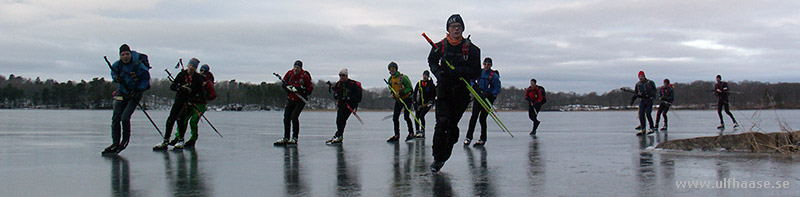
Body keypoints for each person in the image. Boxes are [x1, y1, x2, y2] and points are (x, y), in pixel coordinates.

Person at [427, 14, 481, 172]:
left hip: (462, 93)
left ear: (463, 29)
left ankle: (447, 150)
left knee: (451, 125)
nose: (456, 29)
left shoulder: (472, 49)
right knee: (441, 122)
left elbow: (476, 71)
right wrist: (438, 73)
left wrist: (461, 72)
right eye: (453, 27)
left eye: (459, 26)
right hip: (444, 89)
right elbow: (431, 61)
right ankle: (437, 158)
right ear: (448, 29)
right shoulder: (440, 46)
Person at [103, 44, 151, 154]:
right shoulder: (117, 65)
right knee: (116, 118)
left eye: (127, 54)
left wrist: (139, 89)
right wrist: (116, 78)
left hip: (135, 93)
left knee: (125, 118)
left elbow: (146, 79)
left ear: (130, 54)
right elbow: (113, 75)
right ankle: (115, 142)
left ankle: (124, 142)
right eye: (123, 54)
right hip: (122, 92)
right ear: (120, 55)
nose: (125, 56)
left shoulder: (138, 65)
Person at [154, 58, 204, 150]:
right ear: (187, 66)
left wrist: (193, 99)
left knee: (181, 119)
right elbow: (172, 86)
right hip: (179, 100)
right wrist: (181, 88)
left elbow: (200, 93)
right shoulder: (182, 75)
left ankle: (181, 140)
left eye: (193, 66)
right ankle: (166, 140)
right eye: (190, 65)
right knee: (170, 119)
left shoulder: (197, 78)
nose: (191, 68)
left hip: (188, 102)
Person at [274, 60, 313, 145]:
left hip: (300, 100)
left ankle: (295, 138)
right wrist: (288, 88)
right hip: (291, 99)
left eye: (298, 67)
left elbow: (309, 89)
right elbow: (284, 84)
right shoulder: (289, 74)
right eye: (295, 67)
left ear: (301, 68)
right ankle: (286, 137)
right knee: (286, 118)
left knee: (294, 117)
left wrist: (299, 89)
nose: (296, 69)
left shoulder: (304, 76)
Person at [465, 57, 500, 146]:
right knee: (473, 117)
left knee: (482, 118)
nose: (486, 66)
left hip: (488, 99)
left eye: (488, 64)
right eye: (485, 64)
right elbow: (472, 80)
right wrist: (474, 86)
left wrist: (490, 93)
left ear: (491, 65)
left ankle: (483, 138)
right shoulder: (479, 72)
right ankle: (468, 137)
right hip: (478, 97)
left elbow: (497, 88)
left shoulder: (494, 76)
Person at [325, 68, 362, 144]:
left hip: (350, 105)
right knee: (338, 120)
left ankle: (339, 135)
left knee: (343, 120)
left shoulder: (352, 84)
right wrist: (336, 95)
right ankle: (338, 135)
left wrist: (349, 98)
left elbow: (358, 97)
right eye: (340, 75)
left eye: (343, 75)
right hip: (341, 105)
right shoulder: (339, 84)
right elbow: (336, 93)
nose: (341, 77)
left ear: (347, 76)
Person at [183, 64, 217, 147]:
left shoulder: (207, 82)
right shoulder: (194, 79)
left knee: (193, 121)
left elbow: (213, 95)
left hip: (201, 105)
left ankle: (193, 138)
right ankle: (179, 137)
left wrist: (203, 97)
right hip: (191, 103)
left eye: (203, 71)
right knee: (183, 119)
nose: (202, 72)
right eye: (201, 70)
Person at [386, 62, 415, 142]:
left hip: (406, 99)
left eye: (393, 69)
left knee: (406, 116)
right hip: (398, 100)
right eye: (390, 69)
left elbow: (410, 89)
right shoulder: (390, 79)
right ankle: (396, 135)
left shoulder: (403, 78)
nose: (392, 71)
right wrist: (392, 94)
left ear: (396, 69)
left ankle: (411, 133)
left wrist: (402, 93)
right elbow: (391, 89)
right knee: (395, 117)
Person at [413, 70, 436, 138]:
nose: (424, 76)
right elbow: (415, 93)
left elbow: (433, 94)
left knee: (421, 116)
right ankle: (417, 131)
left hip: (427, 103)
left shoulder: (431, 84)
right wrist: (414, 101)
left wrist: (431, 101)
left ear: (428, 76)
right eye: (424, 75)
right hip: (420, 103)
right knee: (416, 117)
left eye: (426, 75)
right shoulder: (419, 83)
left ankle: (422, 131)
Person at [634, 71, 657, 136]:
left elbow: (654, 90)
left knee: (648, 114)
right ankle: (643, 129)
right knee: (641, 114)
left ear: (644, 76)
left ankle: (651, 128)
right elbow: (636, 93)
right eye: (639, 77)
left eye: (641, 76)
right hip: (643, 100)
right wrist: (638, 95)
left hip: (649, 100)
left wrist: (652, 96)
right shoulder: (638, 84)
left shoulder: (650, 82)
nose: (640, 78)